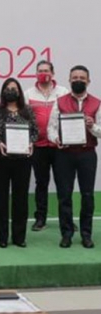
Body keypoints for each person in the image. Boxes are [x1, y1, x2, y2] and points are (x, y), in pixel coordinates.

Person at [47, 65, 101, 249]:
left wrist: (92, 126)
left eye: (82, 77)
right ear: (69, 80)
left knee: (87, 196)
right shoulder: (60, 101)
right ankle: (67, 234)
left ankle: (86, 234)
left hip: (87, 155)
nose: (78, 80)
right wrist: (56, 139)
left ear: (88, 81)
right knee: (64, 196)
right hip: (64, 154)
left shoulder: (97, 103)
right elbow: (50, 128)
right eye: (75, 77)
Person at [0, 78, 38, 248]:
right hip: (0, 159)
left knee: (20, 198)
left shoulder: (27, 111)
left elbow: (35, 132)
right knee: (0, 197)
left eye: (14, 88)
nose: (11, 91)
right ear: (3, 91)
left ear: (19, 92)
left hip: (22, 160)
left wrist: (31, 143)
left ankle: (19, 236)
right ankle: (2, 236)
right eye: (8, 88)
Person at [25, 60, 69, 231]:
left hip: (59, 146)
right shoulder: (28, 94)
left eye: (46, 70)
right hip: (38, 146)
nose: (43, 73)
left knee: (63, 184)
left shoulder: (63, 92)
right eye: (40, 70)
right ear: (36, 74)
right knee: (41, 183)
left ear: (53, 73)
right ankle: (40, 218)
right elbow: (24, 119)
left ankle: (66, 219)